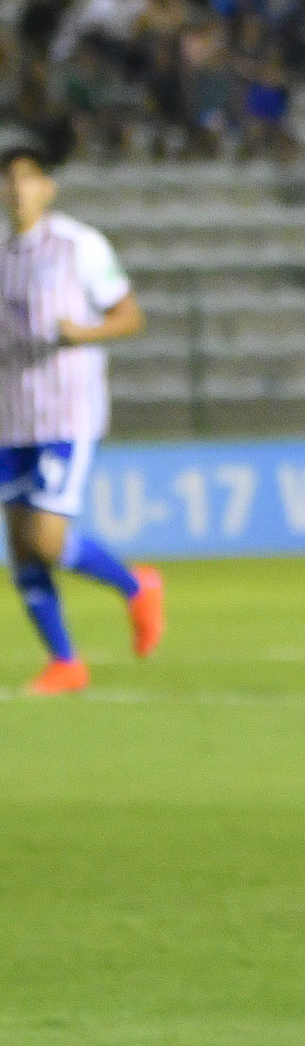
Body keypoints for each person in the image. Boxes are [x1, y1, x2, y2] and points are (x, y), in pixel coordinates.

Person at [0, 146, 165, 695]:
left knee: (46, 540)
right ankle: (65, 662)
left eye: (24, 179)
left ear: (48, 187)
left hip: (67, 414)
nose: (14, 190)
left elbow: (130, 316)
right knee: (20, 546)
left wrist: (82, 334)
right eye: (6, 181)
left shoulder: (80, 246)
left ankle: (136, 586)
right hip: (11, 418)